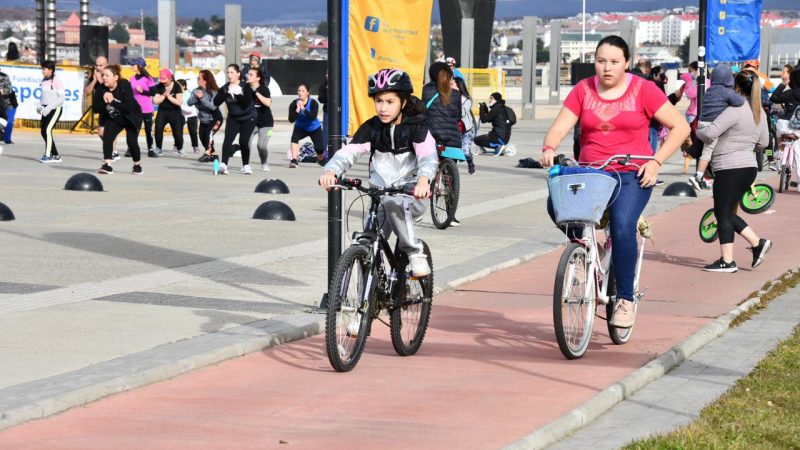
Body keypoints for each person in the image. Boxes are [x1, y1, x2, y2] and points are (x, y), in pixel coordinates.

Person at [539, 35, 690, 327]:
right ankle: (582, 250)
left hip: (632, 173)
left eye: (614, 62)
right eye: (601, 61)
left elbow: (680, 127)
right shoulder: (583, 90)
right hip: (592, 173)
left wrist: (656, 161)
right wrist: (548, 148)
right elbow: (558, 129)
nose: (606, 68)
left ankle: (624, 299)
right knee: (555, 203)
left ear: (626, 64)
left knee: (622, 227)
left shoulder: (643, 89)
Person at [319, 68, 437, 277]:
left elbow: (428, 157)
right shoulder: (372, 127)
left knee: (394, 203)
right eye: (379, 101)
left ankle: (415, 251)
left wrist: (423, 181)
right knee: (367, 243)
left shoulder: (417, 127)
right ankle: (368, 302)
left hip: (411, 195)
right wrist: (331, 171)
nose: (383, 108)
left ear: (403, 102)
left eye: (390, 102)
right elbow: (349, 152)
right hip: (380, 195)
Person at [695, 70, 771, 273]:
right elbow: (764, 142)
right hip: (749, 168)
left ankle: (734, 257)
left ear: (736, 88)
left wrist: (696, 130)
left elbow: (710, 133)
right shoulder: (759, 111)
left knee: (722, 213)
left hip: (729, 167)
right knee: (725, 213)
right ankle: (743, 251)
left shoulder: (734, 109)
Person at [688, 65, 745, 191]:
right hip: (712, 126)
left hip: (702, 124)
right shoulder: (726, 92)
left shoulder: (710, 90)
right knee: (708, 152)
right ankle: (698, 176)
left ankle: (703, 174)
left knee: (707, 150)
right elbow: (740, 102)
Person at [96, 64, 143, 175]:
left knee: (131, 141)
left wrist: (112, 101)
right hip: (116, 117)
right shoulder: (101, 88)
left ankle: (137, 165)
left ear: (116, 77)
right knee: (107, 137)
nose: (104, 78)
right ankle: (108, 165)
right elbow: (96, 108)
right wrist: (105, 102)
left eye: (107, 75)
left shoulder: (124, 85)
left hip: (132, 116)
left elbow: (128, 108)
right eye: (103, 75)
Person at [213, 63, 257, 175]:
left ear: (238, 74)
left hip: (248, 117)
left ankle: (246, 165)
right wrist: (226, 93)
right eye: (228, 72)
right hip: (233, 118)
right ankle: (223, 164)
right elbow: (216, 102)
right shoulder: (225, 87)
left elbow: (246, 103)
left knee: (243, 141)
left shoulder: (245, 86)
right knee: (228, 139)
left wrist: (237, 94)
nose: (229, 75)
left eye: (232, 72)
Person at [288, 83, 325, 168]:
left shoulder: (313, 103)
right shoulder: (294, 103)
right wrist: (297, 110)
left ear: (308, 93)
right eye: (299, 91)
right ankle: (294, 160)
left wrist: (303, 109)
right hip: (300, 127)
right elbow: (291, 119)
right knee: (294, 139)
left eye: (303, 91)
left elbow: (312, 117)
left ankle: (320, 159)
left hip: (314, 128)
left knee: (320, 148)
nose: (300, 93)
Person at [190, 70, 223, 163]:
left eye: (199, 78)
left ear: (205, 80)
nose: (197, 79)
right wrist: (195, 97)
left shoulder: (214, 92)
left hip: (215, 119)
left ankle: (207, 154)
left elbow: (213, 106)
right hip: (203, 119)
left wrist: (202, 98)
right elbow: (189, 103)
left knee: (208, 135)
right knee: (202, 137)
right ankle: (213, 155)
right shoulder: (196, 90)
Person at [128, 58, 157, 156]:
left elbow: (153, 92)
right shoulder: (131, 78)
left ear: (139, 66)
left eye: (133, 65)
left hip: (146, 109)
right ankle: (131, 149)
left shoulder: (148, 78)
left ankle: (150, 150)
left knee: (148, 131)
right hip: (135, 109)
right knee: (134, 130)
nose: (131, 67)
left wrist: (143, 91)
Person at [37, 60, 65, 163]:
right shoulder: (44, 80)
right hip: (46, 109)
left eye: (44, 69)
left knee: (47, 130)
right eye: (42, 69)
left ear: (51, 70)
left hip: (55, 109)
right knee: (43, 131)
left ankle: (48, 155)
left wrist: (49, 108)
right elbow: (43, 97)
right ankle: (56, 155)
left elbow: (61, 98)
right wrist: (40, 106)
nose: (42, 71)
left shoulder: (56, 81)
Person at [247, 67, 274, 171]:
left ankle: (264, 163)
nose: (248, 76)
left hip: (266, 123)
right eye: (248, 74)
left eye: (251, 75)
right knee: (246, 142)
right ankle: (246, 164)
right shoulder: (245, 88)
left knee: (261, 146)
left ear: (258, 78)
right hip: (251, 121)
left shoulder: (264, 89)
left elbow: (268, 103)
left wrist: (256, 92)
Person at [153, 68, 184, 157]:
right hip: (162, 111)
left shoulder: (177, 86)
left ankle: (180, 148)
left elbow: (179, 102)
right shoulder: (159, 86)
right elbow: (156, 101)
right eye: (161, 79)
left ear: (170, 78)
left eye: (164, 79)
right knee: (158, 128)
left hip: (175, 111)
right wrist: (164, 95)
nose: (163, 82)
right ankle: (158, 148)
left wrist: (169, 97)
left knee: (177, 132)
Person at [454, 76, 477, 174]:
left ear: (459, 86)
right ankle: (451, 170)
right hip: (454, 130)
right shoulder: (447, 96)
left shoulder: (466, 99)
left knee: (466, 152)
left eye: (452, 84)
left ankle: (470, 163)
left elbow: (462, 112)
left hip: (466, 130)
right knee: (453, 152)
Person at [177, 79, 199, 153]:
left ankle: (195, 146)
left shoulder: (188, 94)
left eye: (178, 85)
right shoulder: (177, 93)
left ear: (184, 86)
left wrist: (179, 105)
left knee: (193, 131)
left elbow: (188, 108)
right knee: (177, 130)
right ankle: (177, 146)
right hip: (182, 114)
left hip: (191, 114)